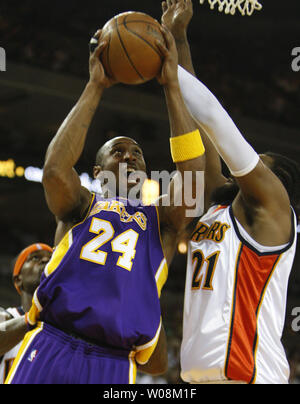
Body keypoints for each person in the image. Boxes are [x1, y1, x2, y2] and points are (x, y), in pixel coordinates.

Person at [6, 25, 206, 384]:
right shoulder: (82, 204)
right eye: (118, 152)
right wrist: (95, 85)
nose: (130, 158)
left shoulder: (161, 220)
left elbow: (193, 178)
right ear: (99, 172)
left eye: (138, 155)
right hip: (52, 342)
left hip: (114, 362)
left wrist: (172, 86)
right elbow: (54, 169)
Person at [162, 0, 300, 384]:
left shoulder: (274, 211)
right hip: (198, 376)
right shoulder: (221, 206)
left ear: (276, 184)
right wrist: (178, 38)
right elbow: (198, 124)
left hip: (252, 375)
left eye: (260, 162)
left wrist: (165, 62)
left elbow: (215, 121)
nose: (249, 165)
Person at [0, 243, 53, 383]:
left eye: (52, 258)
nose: (46, 261)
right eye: (35, 258)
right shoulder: (5, 316)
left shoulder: (68, 323)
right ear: (18, 280)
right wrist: (32, 316)